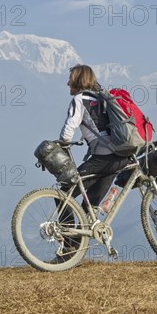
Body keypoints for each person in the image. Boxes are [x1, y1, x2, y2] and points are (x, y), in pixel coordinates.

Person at [59, 64, 130, 211]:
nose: (67, 84)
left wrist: (61, 146)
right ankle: (84, 233)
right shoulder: (102, 98)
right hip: (120, 157)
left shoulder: (79, 100)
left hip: (103, 157)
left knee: (63, 193)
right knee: (89, 208)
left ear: (78, 81)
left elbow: (68, 131)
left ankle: (66, 231)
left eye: (70, 80)